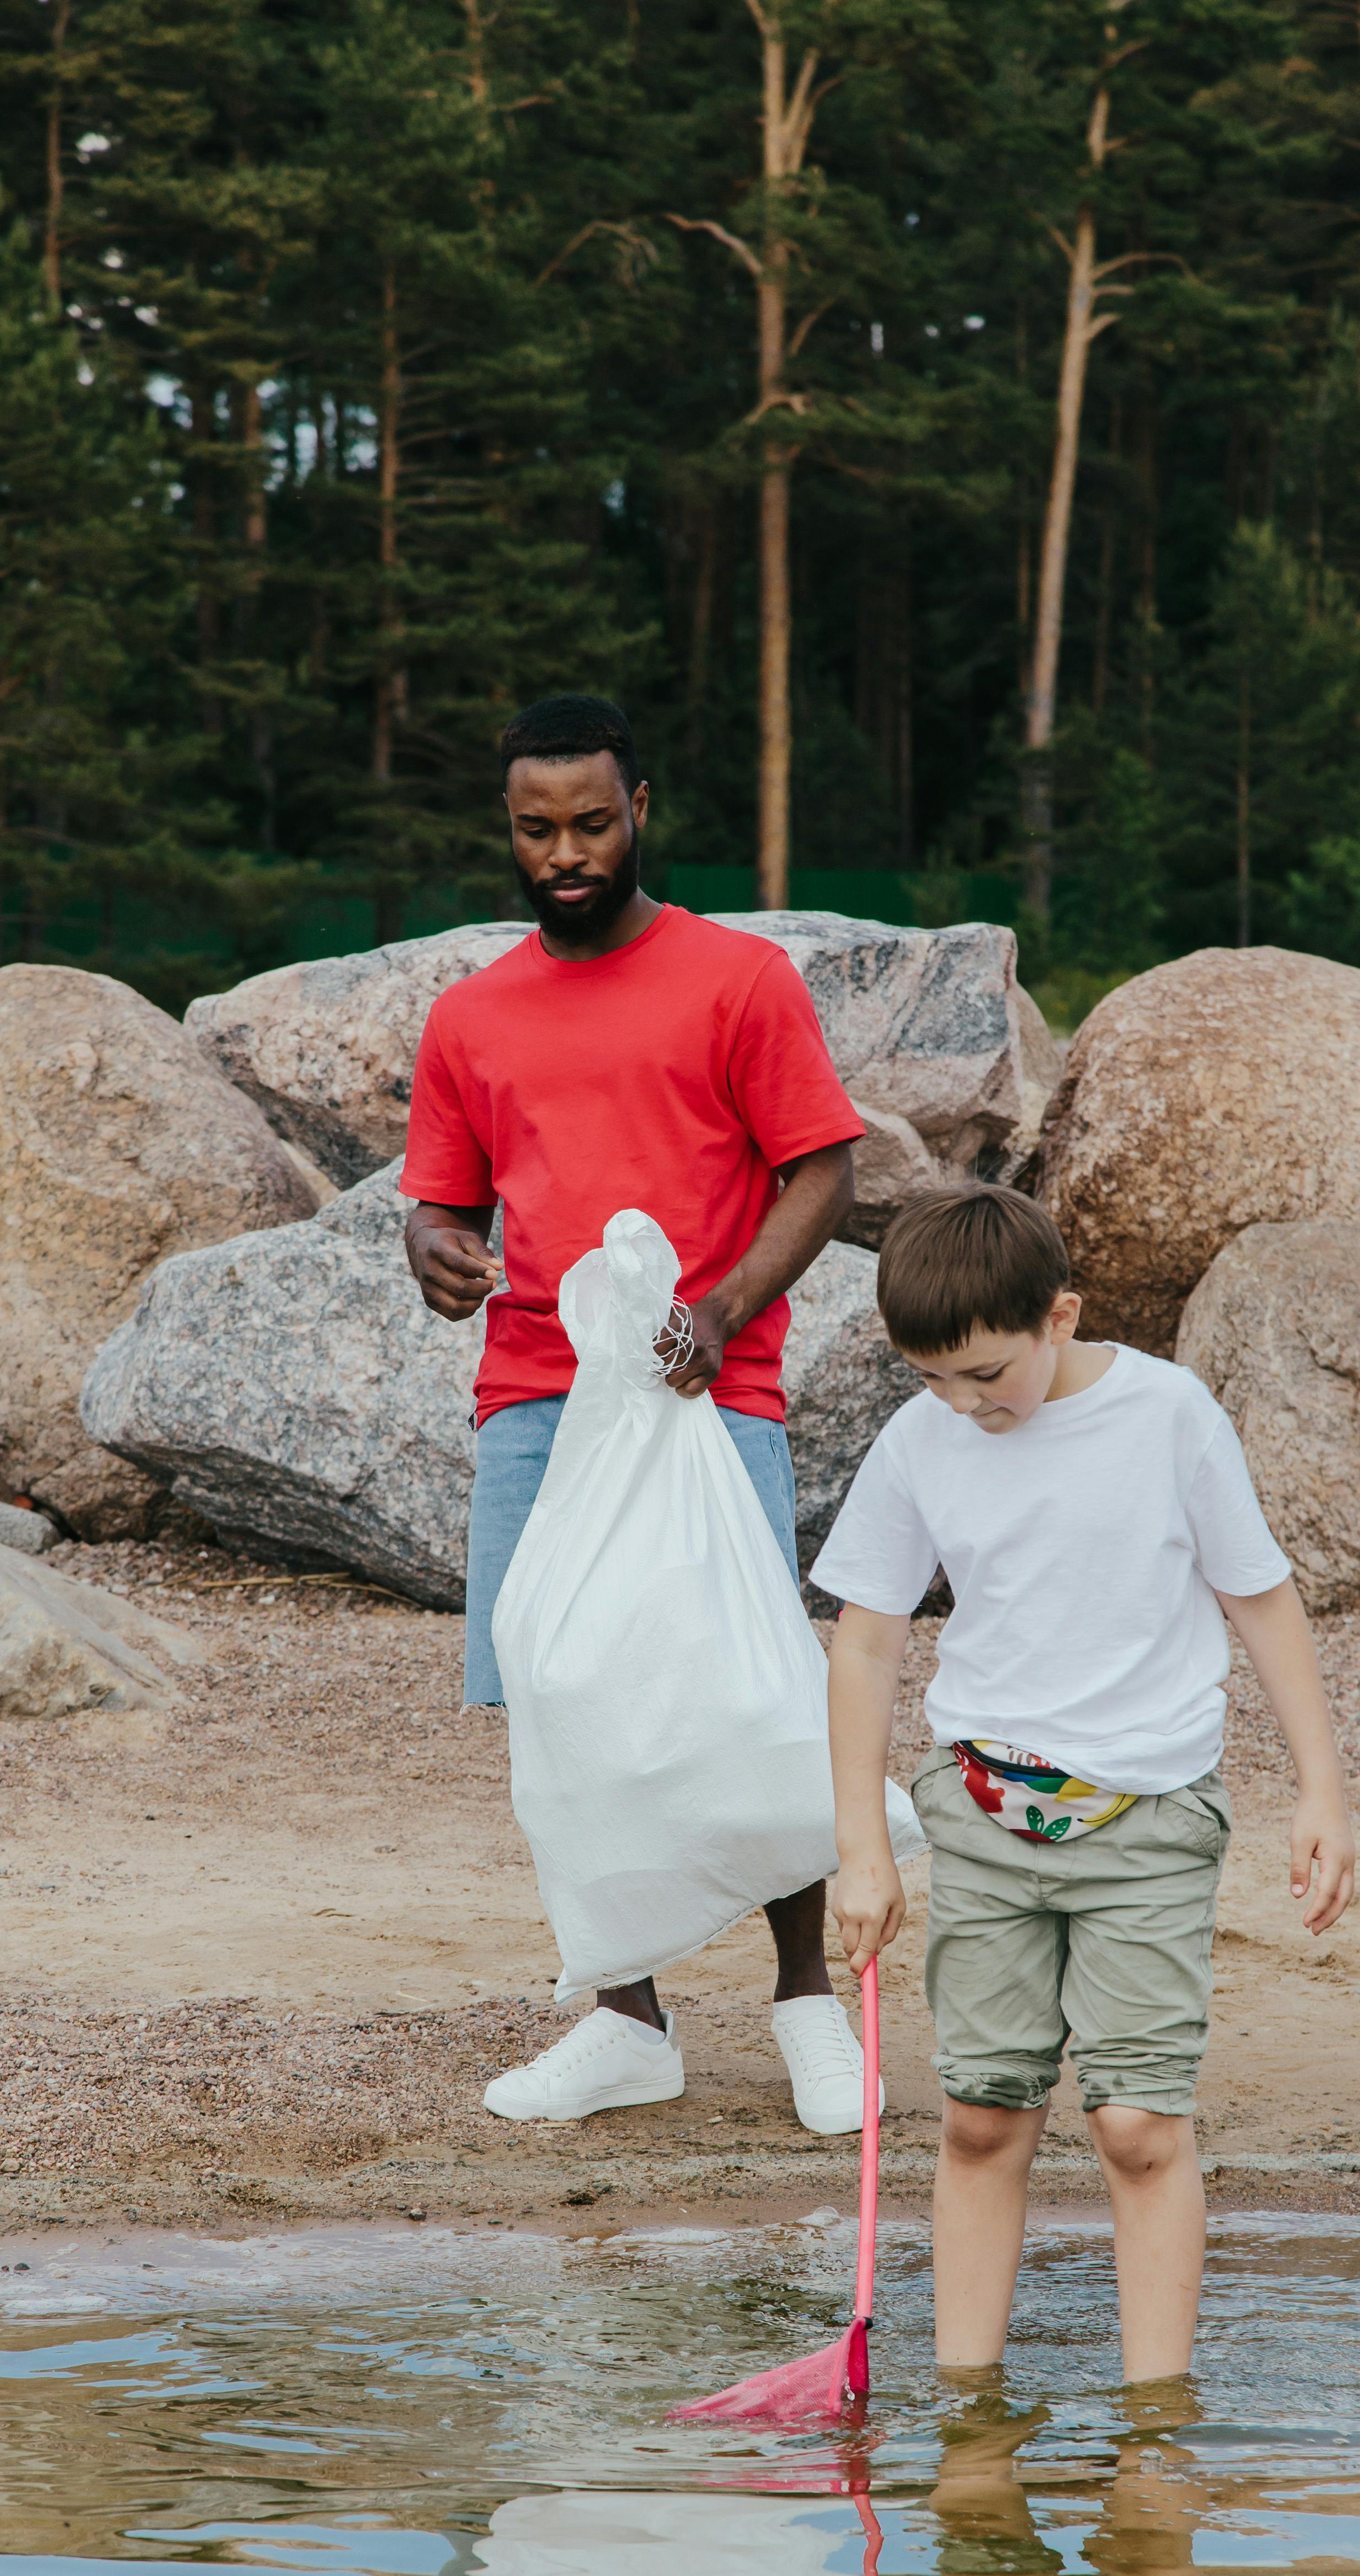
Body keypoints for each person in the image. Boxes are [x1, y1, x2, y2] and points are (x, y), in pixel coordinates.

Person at [400, 691, 870, 2131]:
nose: (563, 852)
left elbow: (823, 1172)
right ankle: (626, 2020)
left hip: (702, 1385)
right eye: (536, 828)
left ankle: (807, 2005)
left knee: (746, 1696)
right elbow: (441, 1200)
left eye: (591, 823)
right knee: (555, 1697)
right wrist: (431, 1248)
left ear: (643, 809)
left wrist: (724, 1311)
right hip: (538, 1397)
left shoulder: (736, 982)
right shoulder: (471, 1016)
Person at [814, 1185, 1355, 2383]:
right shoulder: (921, 1442)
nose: (962, 1404)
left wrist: (1322, 1790)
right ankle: (968, 2411)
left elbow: (1259, 1596)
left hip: (1151, 1817)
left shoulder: (1168, 1416)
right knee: (982, 2116)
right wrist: (866, 1844)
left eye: (986, 1376)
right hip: (984, 1811)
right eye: (932, 1379)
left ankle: (1156, 2430)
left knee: (1137, 2127)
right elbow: (865, 1640)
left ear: (1061, 1316)